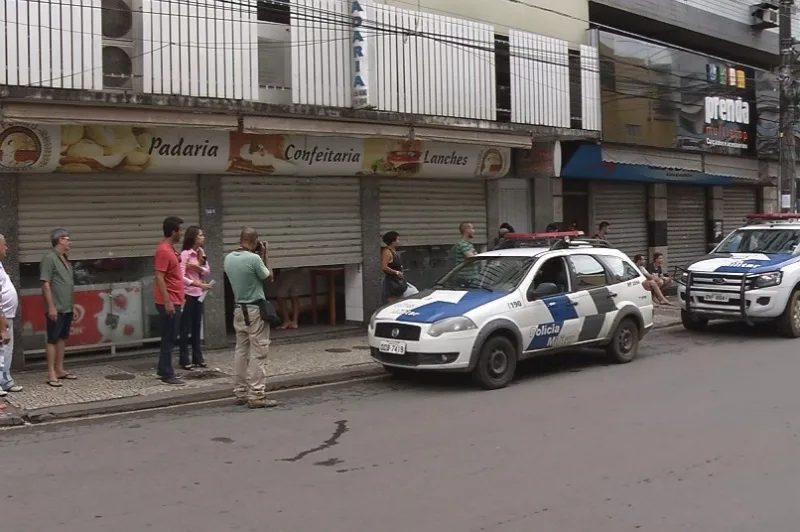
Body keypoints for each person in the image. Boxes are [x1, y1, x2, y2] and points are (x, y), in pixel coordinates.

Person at [223, 227, 277, 409]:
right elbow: (269, 277)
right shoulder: (254, 259)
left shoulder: (228, 258)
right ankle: (256, 394)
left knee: (241, 351)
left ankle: (240, 392)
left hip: (238, 309)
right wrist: (265, 255)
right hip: (255, 309)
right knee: (259, 352)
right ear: (255, 241)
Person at [40, 228, 77, 387]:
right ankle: (51, 373)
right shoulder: (49, 258)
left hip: (66, 306)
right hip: (56, 307)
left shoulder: (65, 259)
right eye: (67, 239)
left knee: (62, 338)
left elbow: (67, 285)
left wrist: (72, 306)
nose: (69, 242)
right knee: (52, 338)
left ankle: (60, 369)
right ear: (60, 240)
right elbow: (45, 284)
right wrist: (51, 307)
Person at [154, 216, 185, 385]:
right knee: (169, 337)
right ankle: (167, 373)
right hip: (168, 301)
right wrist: (167, 302)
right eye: (180, 230)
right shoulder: (164, 251)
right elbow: (159, 277)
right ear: (174, 231)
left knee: (171, 336)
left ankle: (163, 368)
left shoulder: (171, 249)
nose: (182, 233)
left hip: (175, 298)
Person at [179, 226, 212, 370]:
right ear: (193, 237)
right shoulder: (186, 254)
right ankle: (184, 358)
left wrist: (198, 267)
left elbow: (207, 271)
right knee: (185, 327)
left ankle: (198, 357)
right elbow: (181, 276)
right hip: (188, 294)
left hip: (199, 294)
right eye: (200, 235)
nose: (203, 237)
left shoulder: (200, 253)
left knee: (197, 326)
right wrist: (196, 283)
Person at [0, 234, 22, 395]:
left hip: (8, 315)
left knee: (7, 350)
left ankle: (6, 381)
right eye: (5, 245)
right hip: (2, 316)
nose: (7, 247)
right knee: (2, 350)